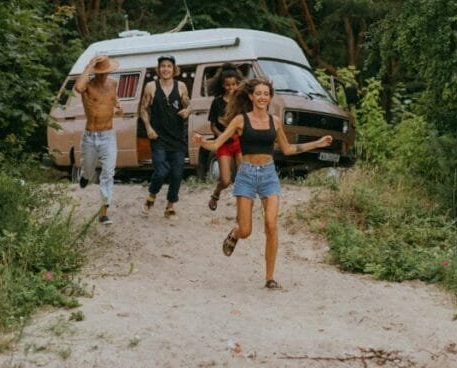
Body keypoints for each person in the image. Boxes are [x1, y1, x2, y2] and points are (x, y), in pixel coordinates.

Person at [193, 77, 332, 290]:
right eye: (258, 93)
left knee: (271, 224)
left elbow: (287, 150)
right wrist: (202, 142)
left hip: (268, 175)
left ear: (269, 97)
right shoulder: (240, 120)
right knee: (247, 230)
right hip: (246, 175)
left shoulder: (275, 121)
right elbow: (217, 144)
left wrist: (318, 143)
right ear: (251, 96)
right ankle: (235, 233)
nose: (262, 97)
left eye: (265, 94)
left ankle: (270, 277)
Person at [139, 55, 191, 218]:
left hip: (177, 138)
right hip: (158, 137)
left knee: (177, 173)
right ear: (158, 69)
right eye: (163, 66)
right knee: (161, 171)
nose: (166, 69)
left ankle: (170, 205)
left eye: (169, 66)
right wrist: (148, 127)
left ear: (174, 69)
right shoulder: (151, 87)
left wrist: (187, 111)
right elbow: (143, 109)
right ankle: (152, 196)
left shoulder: (181, 86)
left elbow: (188, 104)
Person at [74, 54, 122, 225]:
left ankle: (104, 212)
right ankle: (86, 175)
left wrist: (118, 106)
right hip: (90, 136)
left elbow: (114, 99)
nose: (103, 75)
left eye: (106, 72)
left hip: (108, 135)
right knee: (88, 168)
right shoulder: (87, 85)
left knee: (108, 173)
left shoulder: (113, 84)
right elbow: (78, 88)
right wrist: (89, 65)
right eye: (100, 72)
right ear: (94, 72)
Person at [207, 64, 244, 211]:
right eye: (228, 85)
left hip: (239, 141)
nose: (232, 88)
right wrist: (221, 136)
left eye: (234, 84)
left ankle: (241, 208)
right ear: (223, 85)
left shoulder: (241, 101)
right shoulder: (217, 102)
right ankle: (216, 194)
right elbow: (212, 126)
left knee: (242, 178)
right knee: (226, 180)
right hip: (223, 143)